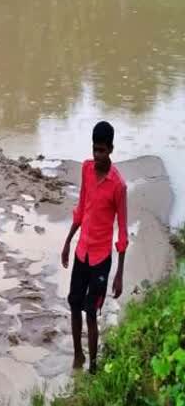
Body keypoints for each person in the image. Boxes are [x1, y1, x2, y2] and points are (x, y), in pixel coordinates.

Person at [61, 121, 127, 374]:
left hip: (101, 258)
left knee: (91, 312)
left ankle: (94, 366)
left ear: (111, 149)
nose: (97, 156)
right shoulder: (86, 170)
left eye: (102, 150)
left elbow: (122, 230)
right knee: (74, 305)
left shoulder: (118, 186)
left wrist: (119, 273)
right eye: (94, 150)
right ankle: (77, 356)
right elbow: (81, 209)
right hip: (82, 252)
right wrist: (68, 242)